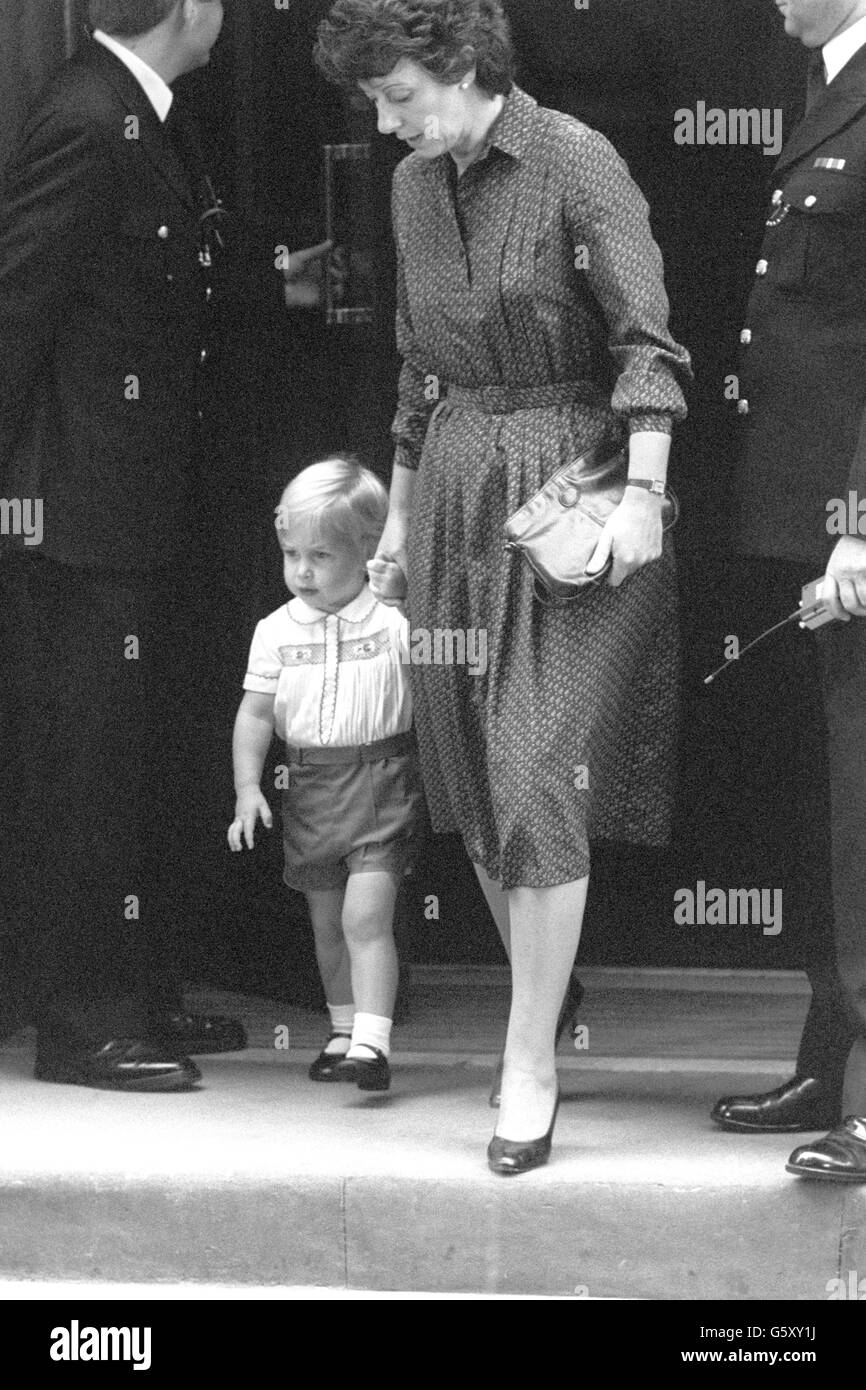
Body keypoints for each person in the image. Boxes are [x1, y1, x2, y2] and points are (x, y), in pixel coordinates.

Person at [315, 0, 690, 1173]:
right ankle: (539, 1003)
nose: (384, 125)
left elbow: (646, 342)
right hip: (456, 499)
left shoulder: (575, 157)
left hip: (573, 493)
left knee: (535, 771)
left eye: (398, 97)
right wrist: (395, 528)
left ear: (463, 64)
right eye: (374, 103)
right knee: (471, 777)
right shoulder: (411, 189)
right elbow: (417, 376)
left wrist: (640, 498)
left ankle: (527, 1057)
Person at [711, 0, 866, 1182]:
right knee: (823, 809)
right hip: (794, 512)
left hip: (848, 528)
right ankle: (830, 1059)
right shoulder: (817, 83)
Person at [228, 459, 424, 1094]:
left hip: (383, 782)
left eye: (321, 555)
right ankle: (342, 1030)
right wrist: (249, 788)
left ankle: (372, 1043)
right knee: (327, 926)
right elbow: (256, 714)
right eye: (291, 554)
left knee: (366, 919)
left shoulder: (396, 623)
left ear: (367, 549)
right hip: (310, 789)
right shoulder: (275, 631)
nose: (302, 571)